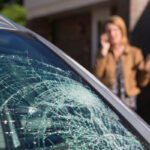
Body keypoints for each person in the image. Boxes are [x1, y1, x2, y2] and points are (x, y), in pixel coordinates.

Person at [94, 15, 150, 111]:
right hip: (108, 102)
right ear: (105, 34)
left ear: (122, 31)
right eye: (108, 31)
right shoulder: (102, 53)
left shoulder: (135, 52)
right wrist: (103, 53)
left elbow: (142, 82)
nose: (112, 34)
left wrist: (146, 70)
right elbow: (96, 75)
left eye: (115, 30)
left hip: (129, 104)